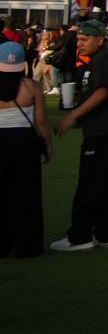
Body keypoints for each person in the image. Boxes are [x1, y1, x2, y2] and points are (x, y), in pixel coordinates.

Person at [51, 20, 108, 252]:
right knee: (104, 182)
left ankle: (80, 235)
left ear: (99, 40)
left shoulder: (102, 60)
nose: (80, 44)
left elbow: (102, 92)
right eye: (79, 40)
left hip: (104, 131)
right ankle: (104, 232)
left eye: (85, 40)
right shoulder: (97, 60)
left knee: (90, 183)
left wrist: (72, 116)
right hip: (107, 130)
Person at [0, 42, 52, 257]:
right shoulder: (32, 87)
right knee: (26, 194)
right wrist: (48, 144)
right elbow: (41, 122)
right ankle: (26, 245)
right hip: (24, 142)